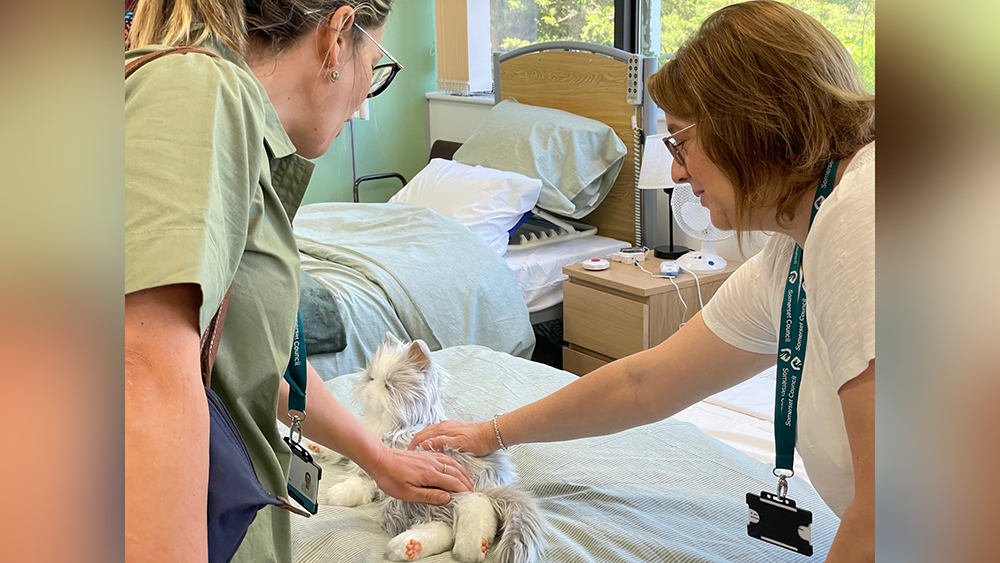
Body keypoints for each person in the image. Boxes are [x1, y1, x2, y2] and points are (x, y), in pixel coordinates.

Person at [410, 2, 874, 561]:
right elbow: (645, 383)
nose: (676, 171)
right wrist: (490, 433)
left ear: (748, 123)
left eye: (680, 141)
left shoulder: (863, 217)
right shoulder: (794, 255)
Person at [125, 1, 473, 562]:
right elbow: (139, 375)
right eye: (376, 67)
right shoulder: (197, 91)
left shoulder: (223, 118)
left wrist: (377, 458)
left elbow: (255, 357)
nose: (364, 100)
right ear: (337, 36)